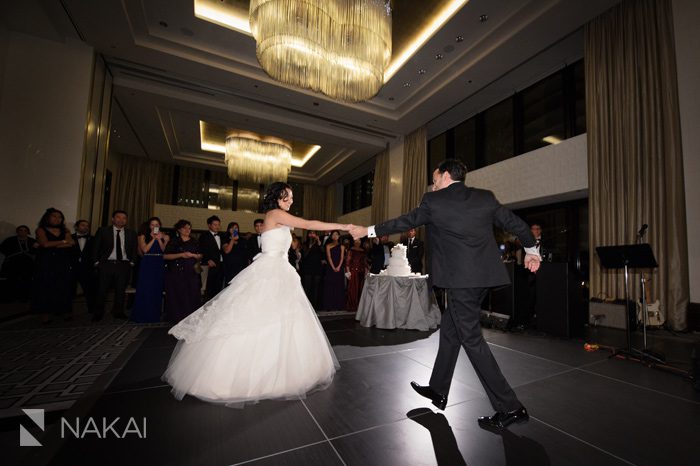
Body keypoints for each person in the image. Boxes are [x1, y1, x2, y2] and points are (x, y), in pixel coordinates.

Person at [350, 159, 541, 430]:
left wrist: (368, 231)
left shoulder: (434, 201)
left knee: (472, 340)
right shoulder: (484, 198)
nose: (433, 183)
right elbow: (517, 224)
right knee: (451, 331)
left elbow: (405, 221)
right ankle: (439, 390)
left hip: (461, 282)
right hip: (481, 280)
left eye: (435, 178)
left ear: (447, 175)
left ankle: (511, 407)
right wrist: (533, 252)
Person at [162, 182, 352, 406]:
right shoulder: (275, 214)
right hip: (271, 271)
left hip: (281, 270)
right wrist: (343, 225)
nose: (290, 201)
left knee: (281, 318)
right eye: (286, 197)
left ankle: (281, 369)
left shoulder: (278, 216)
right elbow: (307, 223)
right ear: (276, 198)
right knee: (260, 316)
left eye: (291, 198)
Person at [91, 210, 138, 322]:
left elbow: (134, 249)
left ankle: (118, 312)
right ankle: (98, 313)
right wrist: (96, 262)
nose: (121, 220)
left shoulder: (131, 233)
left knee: (120, 290)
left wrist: (132, 262)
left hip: (123, 265)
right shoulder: (103, 231)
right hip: (106, 264)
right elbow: (95, 248)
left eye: (124, 218)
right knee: (102, 290)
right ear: (113, 219)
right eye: (118, 217)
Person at [32, 209, 75, 323]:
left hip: (62, 262)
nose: (57, 219)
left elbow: (71, 243)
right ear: (47, 217)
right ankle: (45, 314)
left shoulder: (65, 230)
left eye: (60, 217)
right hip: (46, 262)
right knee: (45, 287)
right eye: (54, 216)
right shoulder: (41, 230)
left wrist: (54, 244)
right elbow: (45, 244)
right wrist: (63, 242)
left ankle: (64, 311)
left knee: (63, 286)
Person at [163, 220, 202, 323]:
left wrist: (194, 255)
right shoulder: (174, 241)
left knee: (193, 293)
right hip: (177, 272)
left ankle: (192, 317)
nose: (187, 230)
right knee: (178, 294)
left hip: (192, 271)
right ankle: (177, 318)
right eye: (185, 228)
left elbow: (201, 255)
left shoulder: (194, 241)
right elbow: (165, 256)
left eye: (189, 228)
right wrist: (181, 255)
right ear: (179, 229)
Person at [131, 217, 168, 323]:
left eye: (157, 225)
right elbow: (145, 249)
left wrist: (161, 239)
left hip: (159, 262)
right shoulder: (143, 235)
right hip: (148, 262)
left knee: (157, 288)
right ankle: (142, 314)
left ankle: (154, 314)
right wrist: (153, 239)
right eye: (152, 224)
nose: (155, 227)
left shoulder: (162, 235)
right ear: (149, 226)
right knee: (146, 288)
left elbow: (163, 250)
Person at [0, 225, 37, 301]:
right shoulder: (10, 240)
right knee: (12, 281)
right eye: (21, 230)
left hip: (27, 265)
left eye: (25, 230)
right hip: (13, 264)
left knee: (27, 280)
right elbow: (3, 249)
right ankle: (11, 297)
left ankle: (25, 297)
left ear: (28, 232)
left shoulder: (32, 241)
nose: (23, 232)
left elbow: (36, 252)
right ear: (17, 232)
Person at [71, 220, 96, 313]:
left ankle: (92, 309)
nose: (85, 227)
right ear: (76, 227)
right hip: (72, 268)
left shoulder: (93, 239)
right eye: (83, 225)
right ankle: (65, 310)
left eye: (87, 226)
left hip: (87, 268)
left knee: (90, 290)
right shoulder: (69, 238)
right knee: (68, 290)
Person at [199, 215, 224, 301]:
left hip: (220, 265)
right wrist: (207, 260)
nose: (217, 226)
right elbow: (200, 249)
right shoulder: (204, 236)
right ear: (209, 225)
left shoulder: (222, 236)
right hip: (210, 265)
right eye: (215, 224)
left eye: (218, 224)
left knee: (219, 287)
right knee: (208, 288)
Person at [321, 230, 345, 311]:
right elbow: (329, 257)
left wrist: (338, 267)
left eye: (336, 235)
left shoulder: (342, 246)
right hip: (330, 268)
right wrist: (333, 267)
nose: (335, 236)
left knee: (339, 286)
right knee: (330, 286)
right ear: (331, 236)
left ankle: (338, 306)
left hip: (339, 268)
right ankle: (329, 306)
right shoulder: (328, 245)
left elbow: (342, 257)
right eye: (333, 235)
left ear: (339, 236)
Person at [300, 231, 324, 309]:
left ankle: (315, 306)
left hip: (317, 267)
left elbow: (323, 252)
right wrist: (310, 246)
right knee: (307, 287)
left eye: (313, 233)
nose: (311, 235)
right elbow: (305, 255)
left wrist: (319, 242)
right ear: (307, 235)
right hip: (307, 268)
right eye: (310, 233)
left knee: (316, 287)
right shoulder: (304, 244)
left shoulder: (319, 244)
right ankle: (306, 306)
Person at [345, 237, 367, 312]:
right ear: (353, 241)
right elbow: (347, 262)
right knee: (352, 289)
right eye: (356, 240)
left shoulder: (363, 250)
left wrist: (366, 272)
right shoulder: (351, 250)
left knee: (360, 289)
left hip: (361, 272)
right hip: (353, 272)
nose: (358, 242)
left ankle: (359, 306)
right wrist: (348, 272)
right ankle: (352, 306)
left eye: (359, 240)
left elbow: (365, 263)